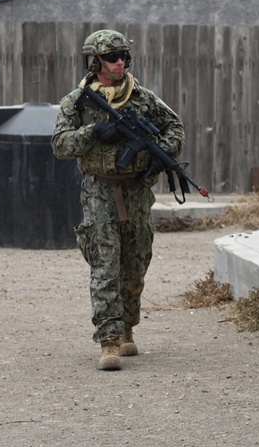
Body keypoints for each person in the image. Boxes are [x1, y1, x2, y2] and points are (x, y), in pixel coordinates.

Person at [52, 29, 185, 371]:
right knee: (105, 263)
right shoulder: (77, 101)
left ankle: (127, 326)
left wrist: (162, 155)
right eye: (113, 57)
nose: (120, 62)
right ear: (95, 61)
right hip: (99, 190)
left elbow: (174, 127)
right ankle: (108, 339)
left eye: (124, 56)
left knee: (137, 261)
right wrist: (93, 132)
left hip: (137, 191)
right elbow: (59, 144)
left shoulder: (140, 97)